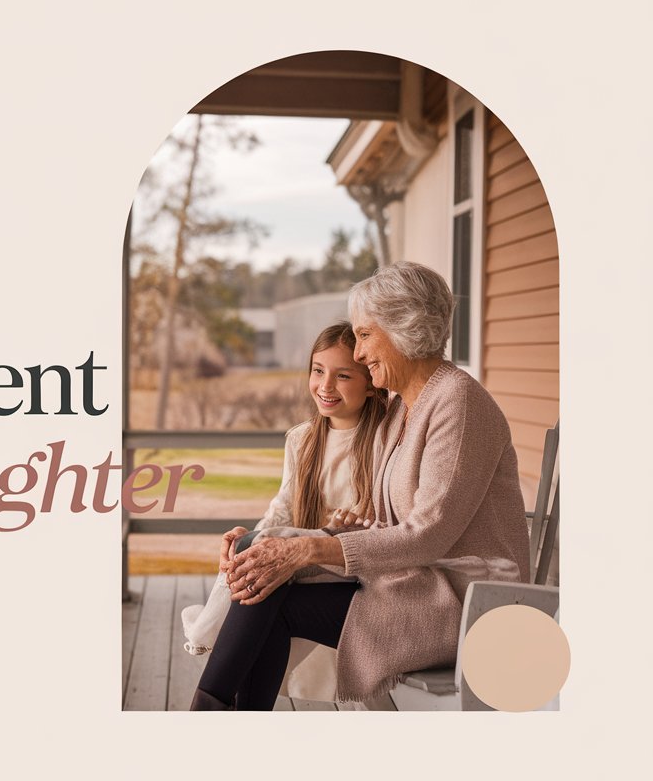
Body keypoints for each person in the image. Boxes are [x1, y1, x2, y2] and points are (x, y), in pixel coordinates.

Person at [190, 261, 530, 710]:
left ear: (403, 327)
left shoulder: (457, 402)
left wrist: (308, 549)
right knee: (265, 566)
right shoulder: (401, 411)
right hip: (413, 583)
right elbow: (387, 524)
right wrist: (284, 543)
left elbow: (429, 533)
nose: (361, 352)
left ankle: (204, 723)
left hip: (464, 598)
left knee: (275, 595)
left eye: (366, 335)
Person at [181, 322, 387, 700]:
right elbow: (282, 510)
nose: (325, 387)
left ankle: (206, 638)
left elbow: (386, 518)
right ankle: (221, 706)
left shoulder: (384, 441)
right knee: (256, 556)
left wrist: (353, 523)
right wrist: (249, 535)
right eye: (318, 371)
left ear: (370, 382)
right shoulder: (303, 439)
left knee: (258, 558)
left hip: (352, 568)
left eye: (343, 376)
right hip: (305, 564)